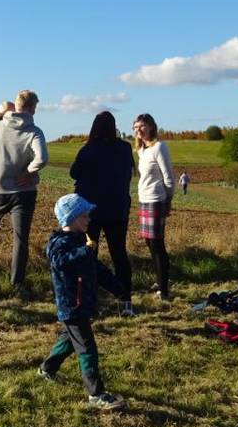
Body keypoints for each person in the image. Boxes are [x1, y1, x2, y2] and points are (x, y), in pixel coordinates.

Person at [39, 194, 125, 410]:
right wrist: (84, 252)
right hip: (71, 304)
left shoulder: (81, 242)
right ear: (72, 218)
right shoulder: (58, 243)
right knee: (87, 348)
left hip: (82, 304)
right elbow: (59, 262)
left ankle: (46, 369)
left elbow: (96, 269)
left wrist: (118, 288)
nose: (89, 219)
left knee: (69, 340)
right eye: (85, 215)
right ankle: (95, 393)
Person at [0, 90, 48, 292]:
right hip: (25, 192)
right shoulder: (34, 132)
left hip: (0, 188)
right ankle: (17, 283)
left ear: (17, 105)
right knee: (20, 238)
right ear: (32, 108)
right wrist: (29, 172)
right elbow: (42, 158)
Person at [69, 111, 135, 315]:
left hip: (90, 213)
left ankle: (89, 302)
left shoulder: (88, 149)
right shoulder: (125, 148)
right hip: (118, 210)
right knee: (119, 255)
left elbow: (73, 173)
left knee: (88, 255)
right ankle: (125, 302)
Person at [134, 113, 175, 300]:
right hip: (144, 199)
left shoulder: (159, 147)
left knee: (157, 244)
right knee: (150, 242)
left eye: (142, 126)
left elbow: (168, 178)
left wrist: (168, 200)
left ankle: (164, 290)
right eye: (135, 127)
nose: (138, 130)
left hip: (156, 199)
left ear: (151, 126)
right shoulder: (142, 150)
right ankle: (161, 280)